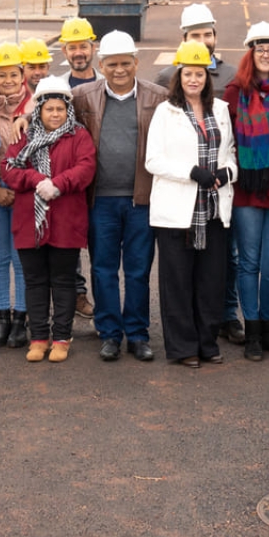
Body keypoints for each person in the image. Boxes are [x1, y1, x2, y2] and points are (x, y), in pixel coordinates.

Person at [74, 30, 167, 363]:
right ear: (101, 64)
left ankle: (138, 335)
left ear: (136, 63)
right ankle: (110, 333)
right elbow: (50, 114)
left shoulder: (158, 97)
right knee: (103, 269)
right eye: (111, 64)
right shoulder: (82, 96)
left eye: (125, 63)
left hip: (141, 200)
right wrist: (24, 119)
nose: (119, 70)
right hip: (101, 201)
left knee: (139, 271)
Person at [146, 41, 237, 368]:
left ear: (207, 76)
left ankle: (207, 343)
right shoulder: (165, 112)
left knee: (211, 282)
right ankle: (184, 347)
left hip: (213, 210)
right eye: (188, 74)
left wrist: (229, 172)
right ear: (178, 76)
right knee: (178, 283)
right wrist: (191, 172)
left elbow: (231, 154)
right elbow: (153, 160)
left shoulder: (222, 110)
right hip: (177, 212)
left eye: (200, 73)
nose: (194, 79)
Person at [221, 22, 269, 361]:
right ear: (250, 54)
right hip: (247, 189)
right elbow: (224, 139)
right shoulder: (233, 91)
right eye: (259, 48)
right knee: (248, 262)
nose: (265, 53)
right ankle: (252, 329)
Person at [4, 77, 96, 364]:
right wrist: (35, 178)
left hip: (66, 221)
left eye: (60, 108)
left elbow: (86, 167)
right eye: (49, 109)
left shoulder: (79, 136)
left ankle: (61, 338)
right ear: (39, 110)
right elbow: (9, 169)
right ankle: (39, 338)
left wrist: (59, 183)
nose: (55, 114)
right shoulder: (24, 137)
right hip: (29, 222)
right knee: (35, 282)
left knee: (64, 281)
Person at [0, 42, 32, 349]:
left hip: (25, 194)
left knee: (21, 258)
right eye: (2, 75)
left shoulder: (35, 107)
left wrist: (19, 187)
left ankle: (22, 319)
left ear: (22, 76)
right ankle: (3, 319)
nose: (8, 81)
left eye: (14, 74)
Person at [154, 2, 223, 88]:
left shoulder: (231, 76)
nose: (202, 42)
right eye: (195, 36)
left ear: (215, 38)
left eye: (207, 35)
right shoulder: (167, 77)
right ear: (184, 40)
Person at [59, 16, 98, 87]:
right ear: (64, 51)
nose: (78, 53)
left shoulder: (108, 86)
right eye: (72, 48)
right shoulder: (56, 87)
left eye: (83, 47)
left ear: (93, 48)